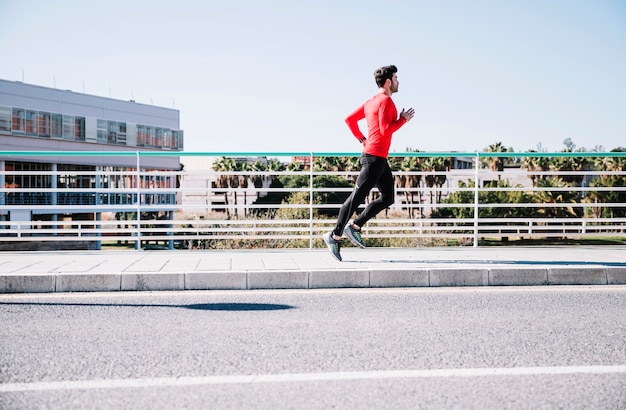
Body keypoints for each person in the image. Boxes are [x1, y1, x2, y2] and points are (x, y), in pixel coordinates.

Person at [323, 65, 415, 261]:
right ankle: (334, 235)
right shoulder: (386, 101)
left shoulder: (370, 101)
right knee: (355, 198)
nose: (398, 81)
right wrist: (403, 120)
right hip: (373, 158)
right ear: (388, 81)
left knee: (388, 197)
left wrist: (362, 139)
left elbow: (349, 120)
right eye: (396, 78)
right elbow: (384, 130)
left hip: (378, 157)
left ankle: (355, 226)